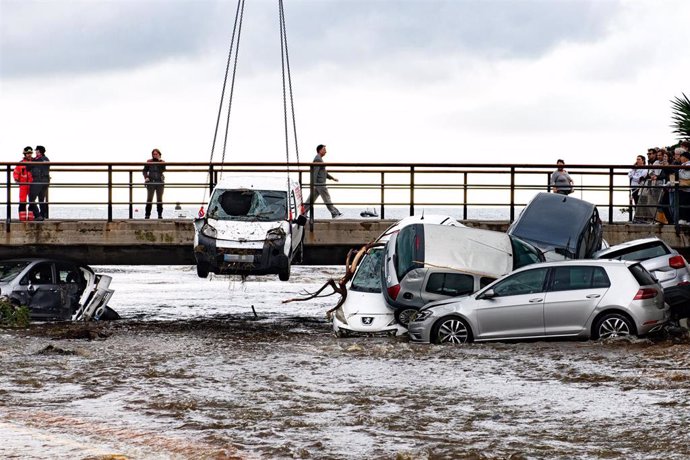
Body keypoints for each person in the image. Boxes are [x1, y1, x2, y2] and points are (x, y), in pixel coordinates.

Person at [304, 144, 342, 218]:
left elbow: (324, 172)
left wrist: (332, 178)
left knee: (311, 200)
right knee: (327, 198)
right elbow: (315, 172)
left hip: (317, 184)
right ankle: (335, 213)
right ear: (320, 150)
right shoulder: (317, 159)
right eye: (324, 150)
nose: (326, 151)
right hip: (320, 184)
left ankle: (303, 213)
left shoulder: (319, 159)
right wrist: (313, 184)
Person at [28, 145, 50, 221]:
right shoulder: (46, 159)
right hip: (46, 181)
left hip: (38, 180)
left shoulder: (37, 160)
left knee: (31, 198)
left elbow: (28, 167)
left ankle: (37, 215)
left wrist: (31, 161)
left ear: (39, 151)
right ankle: (42, 215)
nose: (35, 152)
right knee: (41, 199)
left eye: (36, 150)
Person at [143, 148, 166, 219]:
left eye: (156, 154)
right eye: (153, 154)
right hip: (151, 182)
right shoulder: (149, 161)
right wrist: (146, 177)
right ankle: (147, 215)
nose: (155, 155)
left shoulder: (162, 162)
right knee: (149, 199)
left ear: (159, 154)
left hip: (160, 182)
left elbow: (163, 169)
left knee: (159, 200)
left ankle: (160, 215)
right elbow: (144, 170)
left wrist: (159, 161)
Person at [13, 146, 34, 219]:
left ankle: (31, 218)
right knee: (22, 201)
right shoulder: (20, 163)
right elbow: (16, 172)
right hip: (23, 185)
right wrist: (16, 179)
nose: (29, 155)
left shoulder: (34, 162)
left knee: (32, 201)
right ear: (25, 154)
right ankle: (22, 218)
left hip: (32, 185)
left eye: (30, 153)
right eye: (28, 153)